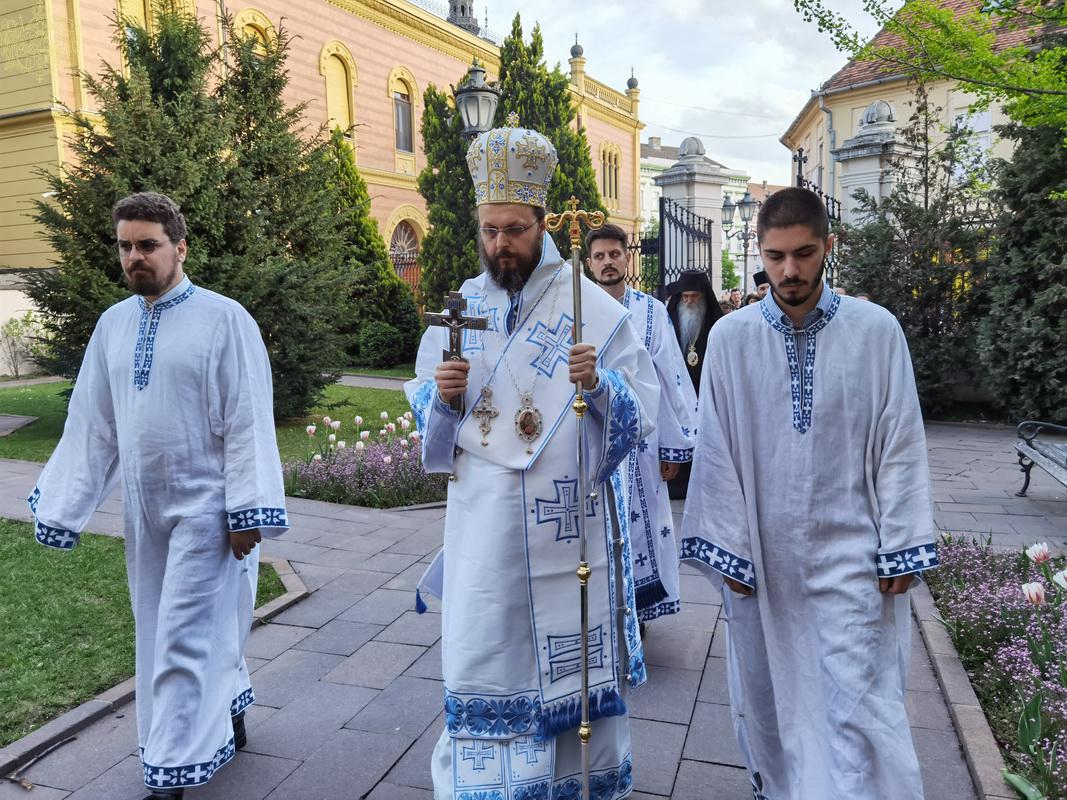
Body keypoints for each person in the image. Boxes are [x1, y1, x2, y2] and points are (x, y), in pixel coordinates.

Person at [406, 114, 659, 800]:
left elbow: (644, 409)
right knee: (487, 655)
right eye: (489, 230)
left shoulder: (590, 308)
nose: (500, 244)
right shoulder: (459, 307)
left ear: (542, 223)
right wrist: (443, 400)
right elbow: (433, 433)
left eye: (514, 230)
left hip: (567, 523)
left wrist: (598, 386)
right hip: (484, 530)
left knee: (566, 669)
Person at [680, 187, 938, 799]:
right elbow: (716, 447)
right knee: (771, 701)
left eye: (803, 254)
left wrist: (902, 544)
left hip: (853, 555)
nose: (789, 270)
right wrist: (729, 550)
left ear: (828, 246)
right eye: (775, 257)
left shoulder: (875, 331)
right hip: (763, 563)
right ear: (759, 253)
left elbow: (900, 440)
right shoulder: (732, 338)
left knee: (858, 705)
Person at [28, 192, 288, 799]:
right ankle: (231, 706)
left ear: (180, 247)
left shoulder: (225, 319)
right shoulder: (113, 325)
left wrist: (246, 511)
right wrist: (66, 506)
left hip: (208, 510)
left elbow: (248, 417)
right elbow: (93, 422)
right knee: (160, 627)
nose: (134, 257)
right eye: (125, 246)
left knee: (180, 637)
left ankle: (171, 772)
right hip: (143, 512)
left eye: (147, 245)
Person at [586, 223, 697, 627]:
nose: (608, 262)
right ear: (589, 263)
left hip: (641, 443)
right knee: (592, 528)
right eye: (599, 256)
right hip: (589, 440)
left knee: (641, 524)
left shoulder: (651, 311)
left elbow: (670, 377)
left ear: (626, 258)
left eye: (614, 254)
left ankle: (636, 613)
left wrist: (674, 446)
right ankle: (597, 612)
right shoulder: (577, 307)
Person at [664, 270, 723, 499]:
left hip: (706, 393)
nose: (688, 301)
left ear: (704, 297)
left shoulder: (717, 323)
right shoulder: (668, 320)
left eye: (694, 297)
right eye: (685, 297)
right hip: (677, 395)